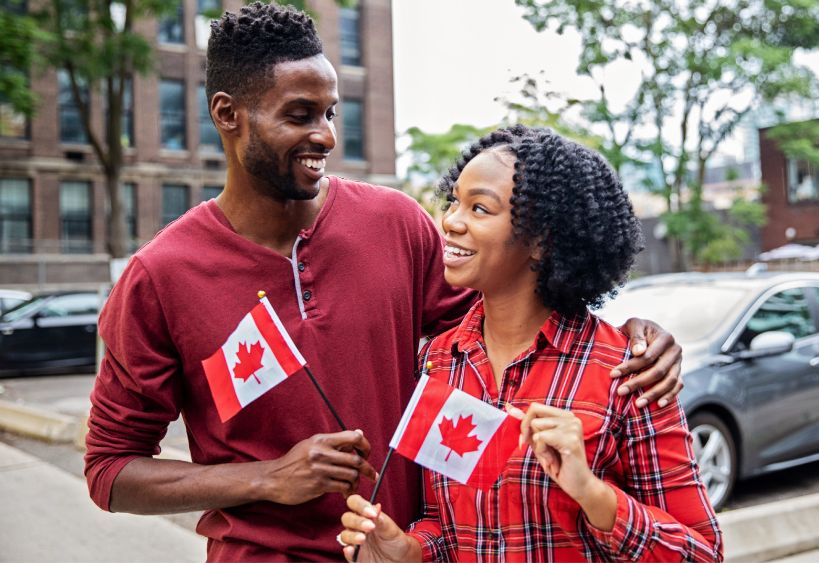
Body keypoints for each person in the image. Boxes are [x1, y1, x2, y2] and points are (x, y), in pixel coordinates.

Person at [84, 4, 683, 561]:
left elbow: (510, 315)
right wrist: (267, 477)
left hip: (405, 552)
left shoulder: (394, 223)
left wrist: (628, 331)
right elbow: (110, 474)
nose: (325, 136)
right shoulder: (158, 276)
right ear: (227, 114)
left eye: (330, 112)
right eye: (299, 115)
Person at [339, 126, 722, 562]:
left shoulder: (628, 373)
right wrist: (409, 551)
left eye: (479, 208)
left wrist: (593, 494)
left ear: (542, 240)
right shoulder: (438, 362)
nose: (450, 221)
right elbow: (449, 525)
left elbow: (702, 552)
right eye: (454, 202)